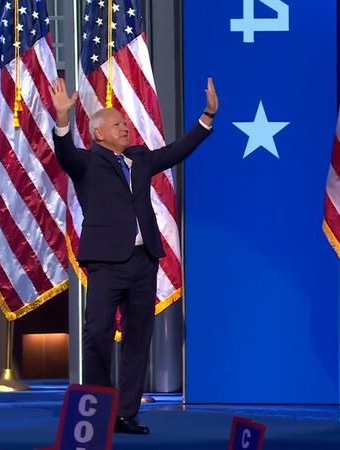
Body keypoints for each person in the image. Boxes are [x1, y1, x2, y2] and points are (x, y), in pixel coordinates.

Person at [49, 77, 218, 435]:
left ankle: (125, 413)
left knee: (139, 337)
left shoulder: (140, 159)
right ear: (98, 134)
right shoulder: (86, 162)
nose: (125, 127)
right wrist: (63, 121)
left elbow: (175, 151)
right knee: (97, 334)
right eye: (117, 125)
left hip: (144, 261)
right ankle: (96, 410)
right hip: (106, 263)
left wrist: (206, 117)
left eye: (125, 124)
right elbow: (63, 154)